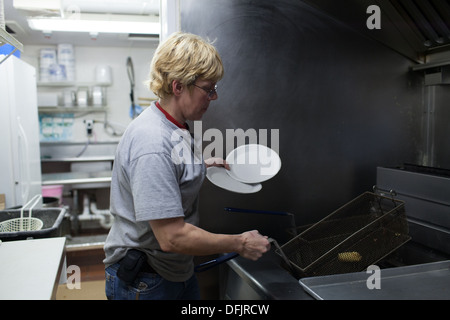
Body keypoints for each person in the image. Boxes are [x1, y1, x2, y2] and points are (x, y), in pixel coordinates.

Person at [103, 32, 270, 300]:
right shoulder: (152, 142)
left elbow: (168, 170)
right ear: (178, 86)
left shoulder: (174, 125)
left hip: (173, 272)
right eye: (209, 88)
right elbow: (172, 237)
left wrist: (200, 165)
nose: (213, 97)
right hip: (146, 282)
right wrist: (239, 243)